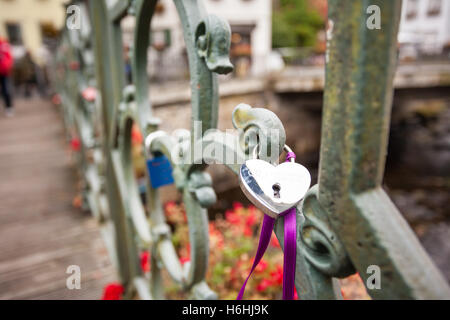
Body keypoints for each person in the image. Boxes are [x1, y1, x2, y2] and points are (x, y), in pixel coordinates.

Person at [0, 37, 14, 117]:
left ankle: (9, 107)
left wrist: (6, 67)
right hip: (4, 70)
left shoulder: (3, 44)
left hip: (4, 71)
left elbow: (8, 57)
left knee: (6, 90)